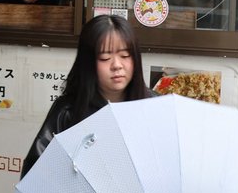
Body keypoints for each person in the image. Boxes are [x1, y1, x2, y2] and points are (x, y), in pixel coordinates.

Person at [22, 15, 154, 176]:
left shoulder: (154, 108)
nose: (117, 65)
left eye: (125, 56)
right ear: (88, 63)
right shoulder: (68, 112)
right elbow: (38, 172)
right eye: (105, 58)